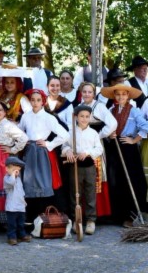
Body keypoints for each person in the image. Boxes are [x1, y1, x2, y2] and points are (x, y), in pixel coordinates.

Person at [99, 84, 148, 227]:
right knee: (115, 180)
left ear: (128, 96)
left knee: (130, 181)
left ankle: (130, 215)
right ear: (114, 96)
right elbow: (105, 126)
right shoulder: (110, 110)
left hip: (128, 149)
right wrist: (110, 134)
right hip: (114, 148)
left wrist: (134, 140)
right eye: (118, 94)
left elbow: (146, 127)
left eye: (124, 94)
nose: (121, 97)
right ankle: (117, 215)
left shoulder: (134, 111)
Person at [18, 89, 69, 221]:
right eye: (33, 100)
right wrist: (24, 141)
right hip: (29, 152)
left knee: (44, 181)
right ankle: (31, 218)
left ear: (43, 101)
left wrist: (49, 144)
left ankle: (46, 217)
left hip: (42, 152)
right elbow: (19, 132)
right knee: (29, 182)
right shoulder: (25, 116)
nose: (35, 103)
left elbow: (65, 135)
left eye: (38, 100)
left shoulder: (49, 118)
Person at [0, 101, 27, 225]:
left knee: (1, 183)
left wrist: (12, 149)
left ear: (5, 112)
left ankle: (5, 221)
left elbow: (23, 138)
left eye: (0, 110)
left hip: (2, 158)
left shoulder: (9, 125)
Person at [61, 106, 103, 235]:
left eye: (86, 116)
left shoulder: (93, 133)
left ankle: (91, 220)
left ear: (90, 117)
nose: (84, 119)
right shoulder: (70, 132)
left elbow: (99, 149)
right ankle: (76, 219)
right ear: (76, 117)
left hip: (89, 167)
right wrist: (67, 150)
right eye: (81, 116)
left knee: (90, 192)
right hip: (75, 167)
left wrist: (88, 152)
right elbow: (64, 145)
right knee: (75, 193)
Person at [79, 82, 117, 218]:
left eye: (89, 92)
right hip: (82, 145)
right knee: (83, 177)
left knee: (97, 176)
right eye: (84, 92)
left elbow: (113, 123)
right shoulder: (79, 107)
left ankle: (99, 212)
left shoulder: (99, 106)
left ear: (94, 94)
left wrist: (99, 135)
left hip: (95, 146)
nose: (87, 94)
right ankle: (84, 213)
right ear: (81, 93)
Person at [4, 156, 30, 246]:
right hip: (12, 207)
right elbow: (11, 183)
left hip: (20, 205)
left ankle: (21, 235)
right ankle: (12, 237)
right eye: (14, 170)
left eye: (18, 170)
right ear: (7, 169)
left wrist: (23, 200)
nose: (16, 172)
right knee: (12, 223)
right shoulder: (7, 178)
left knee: (21, 222)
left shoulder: (18, 179)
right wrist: (12, 175)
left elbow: (21, 191)